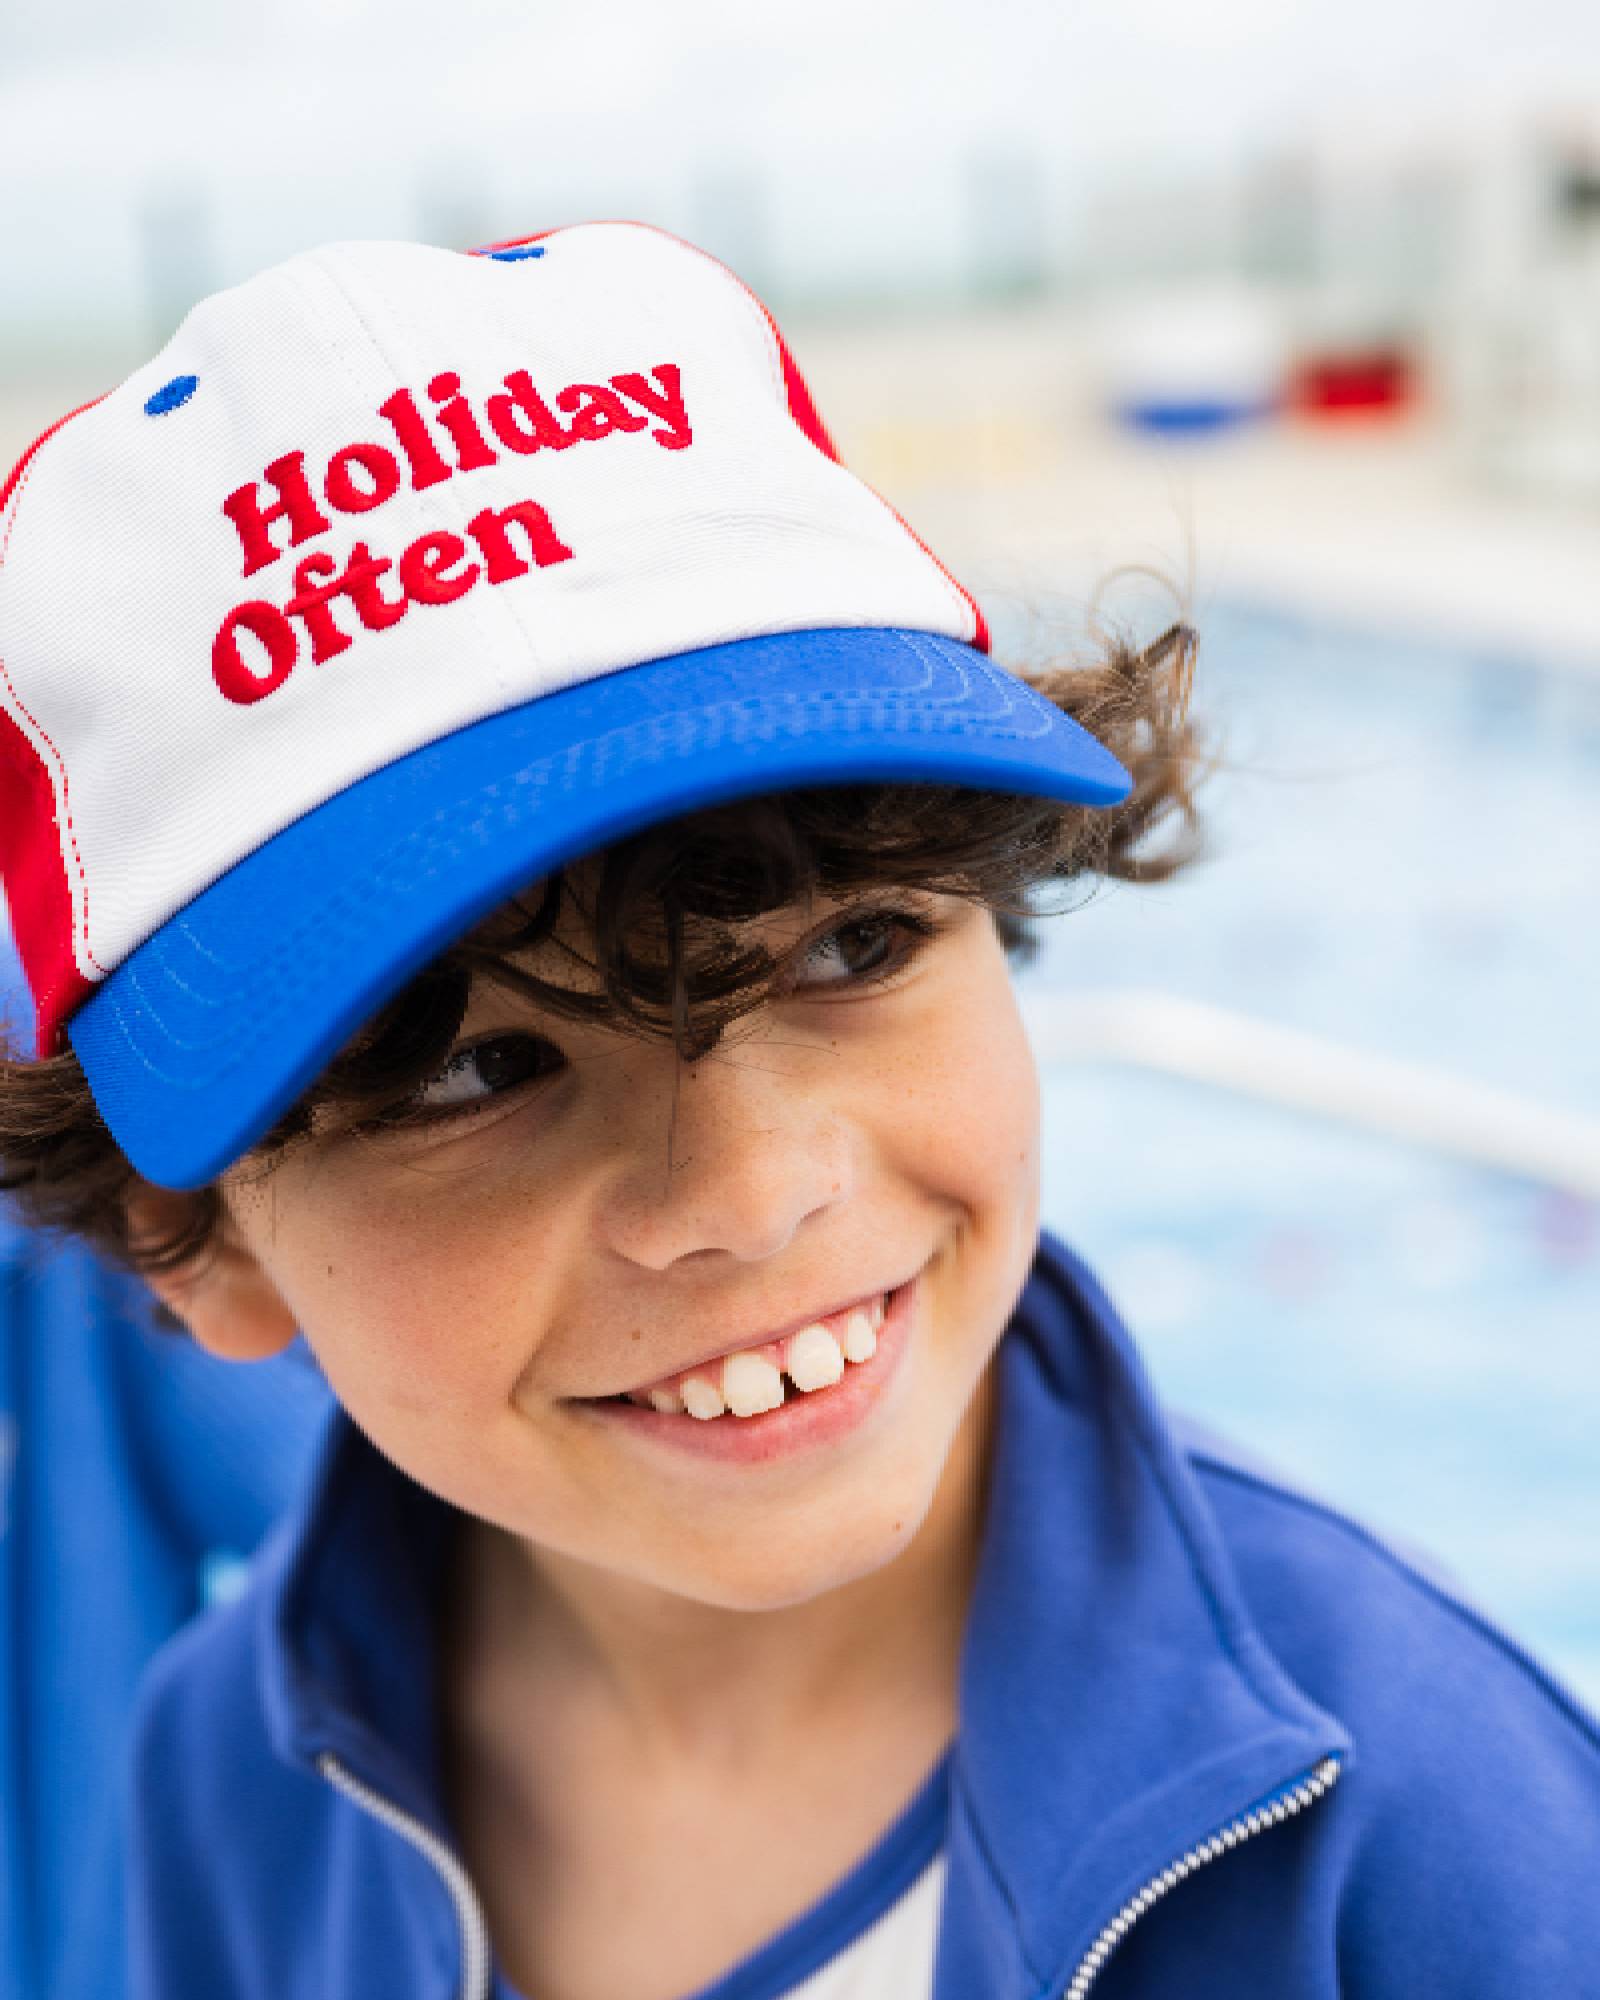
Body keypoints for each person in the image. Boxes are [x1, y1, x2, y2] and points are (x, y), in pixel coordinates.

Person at [0, 221, 1596, 2000]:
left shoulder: (1433, 1842)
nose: (751, 1195)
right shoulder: (229, 1785)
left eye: (853, 945)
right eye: (479, 1069)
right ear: (192, 1240)